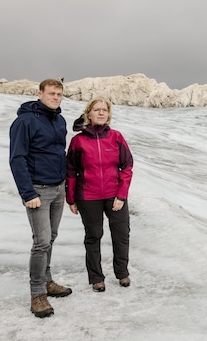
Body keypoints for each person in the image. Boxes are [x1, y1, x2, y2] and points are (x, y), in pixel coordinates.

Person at [9, 78, 73, 318]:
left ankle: (46, 280)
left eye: (59, 94)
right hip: (38, 191)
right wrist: (28, 193)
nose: (56, 97)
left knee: (51, 237)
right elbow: (17, 158)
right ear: (40, 93)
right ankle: (37, 294)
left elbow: (57, 151)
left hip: (58, 188)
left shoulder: (59, 120)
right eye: (51, 93)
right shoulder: (25, 121)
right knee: (42, 242)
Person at [66, 97, 134, 292]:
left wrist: (121, 195)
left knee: (121, 235)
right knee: (94, 235)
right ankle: (96, 277)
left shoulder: (116, 137)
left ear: (109, 114)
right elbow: (71, 171)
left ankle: (122, 272)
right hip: (88, 196)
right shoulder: (78, 141)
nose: (101, 112)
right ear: (89, 114)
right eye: (97, 109)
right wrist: (70, 198)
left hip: (115, 196)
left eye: (104, 110)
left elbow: (127, 166)